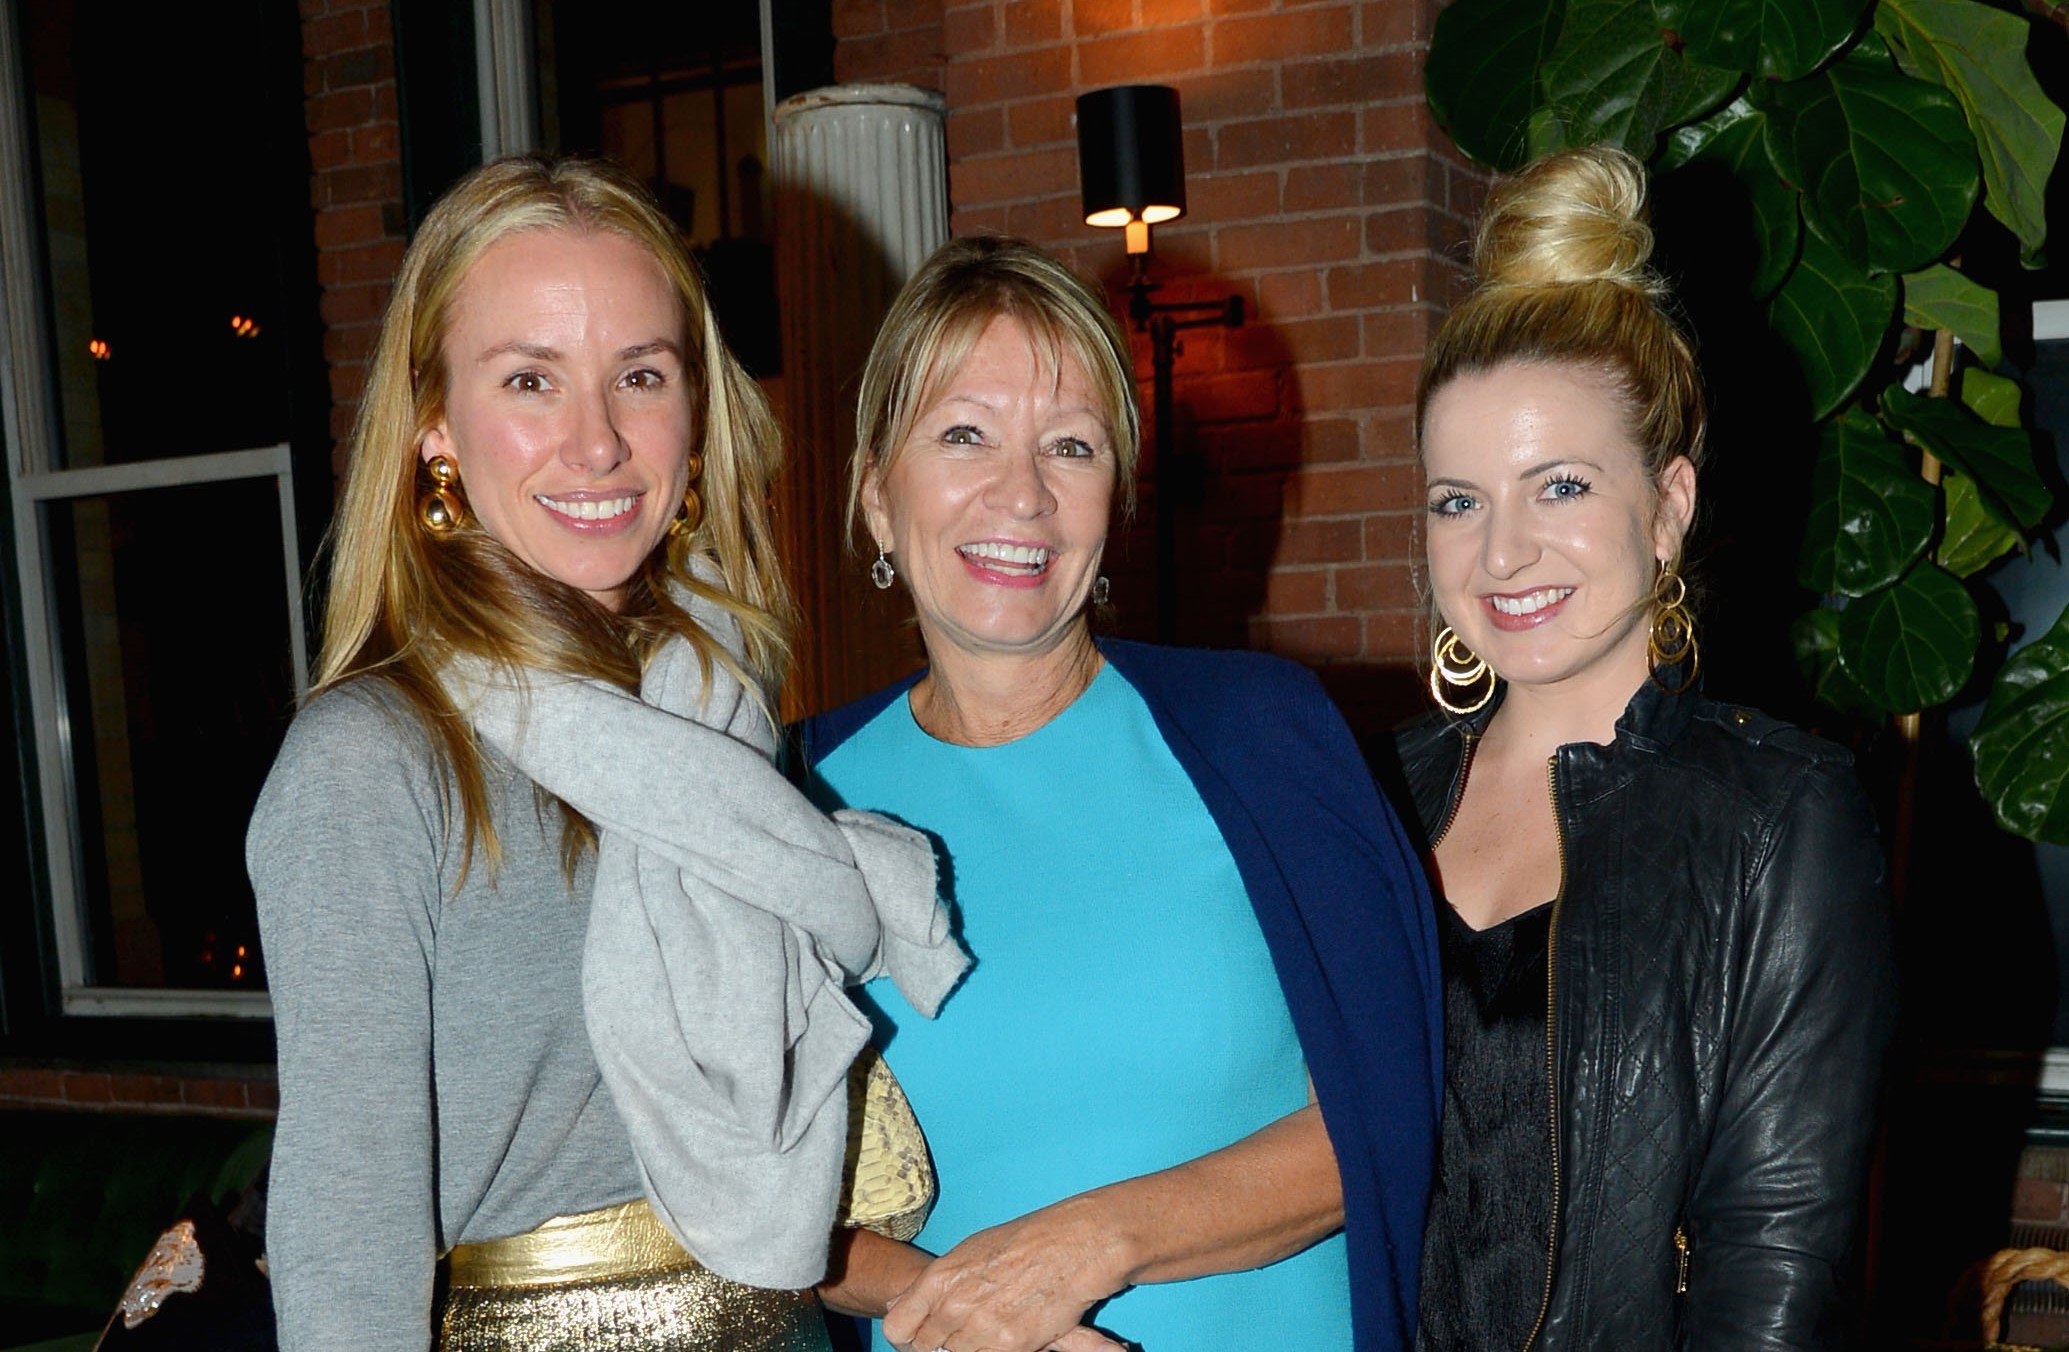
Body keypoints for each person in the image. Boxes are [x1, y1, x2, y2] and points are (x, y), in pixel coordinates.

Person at [249, 154, 965, 1351]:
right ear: (435, 428)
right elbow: (344, 1219)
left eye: (639, 374)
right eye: (530, 378)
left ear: (695, 410)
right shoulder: (370, 759)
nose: (596, 443)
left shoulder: (710, 711)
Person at [795, 236, 1442, 1352]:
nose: (1021, 492)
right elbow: (744, 1181)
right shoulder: (788, 795)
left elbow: (1398, 1101)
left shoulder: (1260, 734)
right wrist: (981, 1311)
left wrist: (1091, 1244)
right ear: (873, 497)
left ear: (1114, 503)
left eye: (1069, 445)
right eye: (962, 435)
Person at [1394, 145, 1898, 1350]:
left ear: (1666, 506)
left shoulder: (1778, 814)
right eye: (1457, 499)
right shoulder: (1374, 792)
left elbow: (1772, 1258)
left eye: (1556, 487)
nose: (1500, 552)